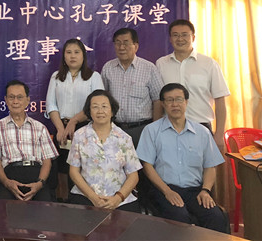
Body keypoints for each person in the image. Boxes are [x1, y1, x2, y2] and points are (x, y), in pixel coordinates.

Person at [137, 83, 228, 233]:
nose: (175, 104)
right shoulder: (152, 130)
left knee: (216, 217)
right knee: (180, 218)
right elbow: (147, 166)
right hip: (164, 189)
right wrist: (167, 191)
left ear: (186, 102)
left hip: (195, 191)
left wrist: (205, 190)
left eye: (179, 99)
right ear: (163, 104)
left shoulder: (202, 132)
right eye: (169, 100)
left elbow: (210, 166)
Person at [156, 19, 230, 147]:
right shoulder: (161, 64)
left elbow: (220, 100)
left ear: (193, 37)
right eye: (175, 35)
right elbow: (158, 100)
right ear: (170, 39)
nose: (180, 39)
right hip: (169, 128)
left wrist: (219, 135)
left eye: (185, 35)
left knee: (203, 161)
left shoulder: (209, 64)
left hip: (200, 127)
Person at [46, 38, 104, 201]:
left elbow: (97, 104)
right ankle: (63, 202)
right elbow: (51, 105)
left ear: (83, 56)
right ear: (64, 56)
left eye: (77, 52)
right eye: (69, 52)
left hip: (85, 128)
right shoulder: (56, 77)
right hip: (60, 128)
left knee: (82, 168)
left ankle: (82, 202)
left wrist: (73, 121)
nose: (72, 56)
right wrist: (60, 128)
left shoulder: (93, 77)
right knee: (61, 169)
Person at [67, 90, 141, 212]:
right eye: (95, 107)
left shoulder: (124, 138)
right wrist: (93, 198)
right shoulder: (79, 135)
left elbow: (133, 175)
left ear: (112, 111)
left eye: (104, 106)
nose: (100, 111)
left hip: (120, 199)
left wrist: (118, 198)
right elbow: (74, 172)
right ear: (89, 111)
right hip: (85, 196)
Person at [0, 80, 58, 202]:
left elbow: (47, 161)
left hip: (36, 176)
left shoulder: (40, 128)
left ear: (28, 100)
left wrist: (40, 183)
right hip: (9, 177)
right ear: (6, 100)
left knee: (46, 205)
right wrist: (7, 183)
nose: (15, 101)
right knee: (3, 206)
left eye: (20, 97)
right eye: (11, 97)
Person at [101, 28, 164, 147]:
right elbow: (102, 98)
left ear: (136, 46)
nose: (121, 47)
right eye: (118, 43)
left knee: (142, 159)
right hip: (115, 129)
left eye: (126, 43)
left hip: (142, 129)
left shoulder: (149, 68)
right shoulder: (108, 68)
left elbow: (158, 100)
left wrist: (155, 129)